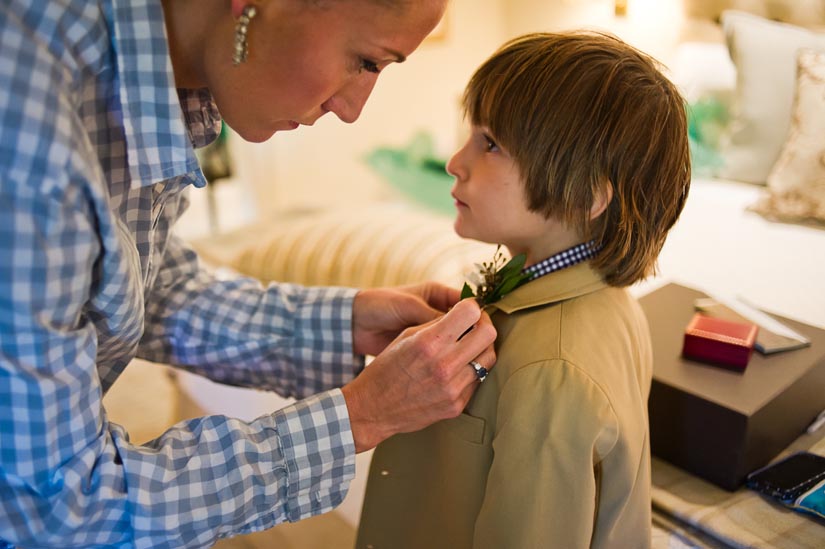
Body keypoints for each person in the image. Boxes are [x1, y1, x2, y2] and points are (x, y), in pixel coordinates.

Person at [0, 0, 498, 547]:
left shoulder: (157, 87)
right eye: (367, 61)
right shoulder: (28, 131)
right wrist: (360, 417)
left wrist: (345, 321)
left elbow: (151, 288)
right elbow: (57, 508)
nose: (353, 109)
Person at [356, 31, 691, 548]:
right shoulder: (607, 299)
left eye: (490, 144)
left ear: (586, 195)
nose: (454, 162)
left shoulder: (551, 372)